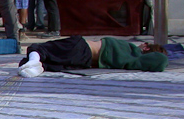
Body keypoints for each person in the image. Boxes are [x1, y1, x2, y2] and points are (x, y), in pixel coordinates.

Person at [17, 35, 168, 77]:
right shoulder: (132, 60)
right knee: (43, 60)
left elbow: (161, 60)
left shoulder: (133, 52)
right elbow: (161, 61)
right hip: (83, 61)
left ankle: (35, 62)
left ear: (146, 47)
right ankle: (37, 65)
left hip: (81, 47)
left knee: (38, 48)